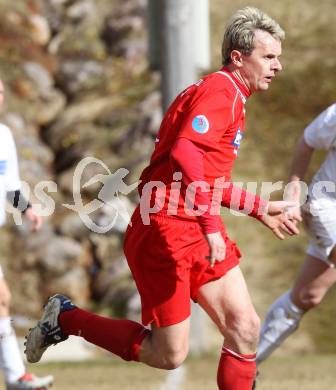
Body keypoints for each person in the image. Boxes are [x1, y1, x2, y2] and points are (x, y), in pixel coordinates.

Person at [25, 7, 298, 390]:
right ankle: (65, 319)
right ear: (238, 57)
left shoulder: (231, 96)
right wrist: (211, 226)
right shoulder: (220, 92)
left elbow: (207, 178)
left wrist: (259, 207)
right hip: (165, 229)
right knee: (169, 354)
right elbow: (185, 156)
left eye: (278, 57)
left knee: (245, 327)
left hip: (190, 225)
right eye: (269, 57)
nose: (278, 66)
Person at [255, 103, 336, 377]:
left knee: (307, 295)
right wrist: (292, 195)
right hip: (326, 206)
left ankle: (245, 365)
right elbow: (306, 141)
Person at [0, 80, 54, 389]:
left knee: (2, 299)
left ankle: (15, 377)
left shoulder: (4, 135)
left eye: (3, 92)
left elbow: (9, 185)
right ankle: (15, 377)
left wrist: (27, 209)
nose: (1, 97)